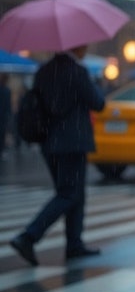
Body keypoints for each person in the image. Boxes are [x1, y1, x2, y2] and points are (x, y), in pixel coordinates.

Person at [9, 44, 106, 266]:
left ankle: (74, 244)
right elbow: (98, 103)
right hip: (72, 143)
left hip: (49, 143)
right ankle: (29, 236)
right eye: (85, 45)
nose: (87, 47)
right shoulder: (78, 72)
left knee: (73, 194)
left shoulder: (43, 71)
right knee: (69, 194)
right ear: (77, 47)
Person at [0, 73, 10, 162]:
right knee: (2, 133)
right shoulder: (7, 90)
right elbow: (8, 106)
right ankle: (2, 150)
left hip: (2, 116)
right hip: (3, 116)